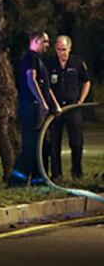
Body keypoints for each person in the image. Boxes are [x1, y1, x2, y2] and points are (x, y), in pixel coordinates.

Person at [8, 30, 61, 187]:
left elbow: (47, 87)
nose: (47, 45)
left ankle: (40, 181)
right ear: (36, 41)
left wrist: (55, 104)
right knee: (31, 147)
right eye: (45, 42)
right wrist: (42, 102)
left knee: (43, 146)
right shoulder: (30, 58)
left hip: (39, 108)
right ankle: (16, 181)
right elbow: (31, 80)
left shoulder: (40, 61)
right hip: (31, 108)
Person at [46, 35, 91, 180]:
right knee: (54, 144)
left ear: (69, 48)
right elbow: (47, 87)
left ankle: (77, 173)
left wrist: (80, 100)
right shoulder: (50, 64)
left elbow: (86, 82)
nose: (61, 53)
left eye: (64, 50)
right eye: (59, 50)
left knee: (77, 143)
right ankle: (56, 174)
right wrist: (54, 105)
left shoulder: (77, 63)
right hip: (56, 109)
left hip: (73, 108)